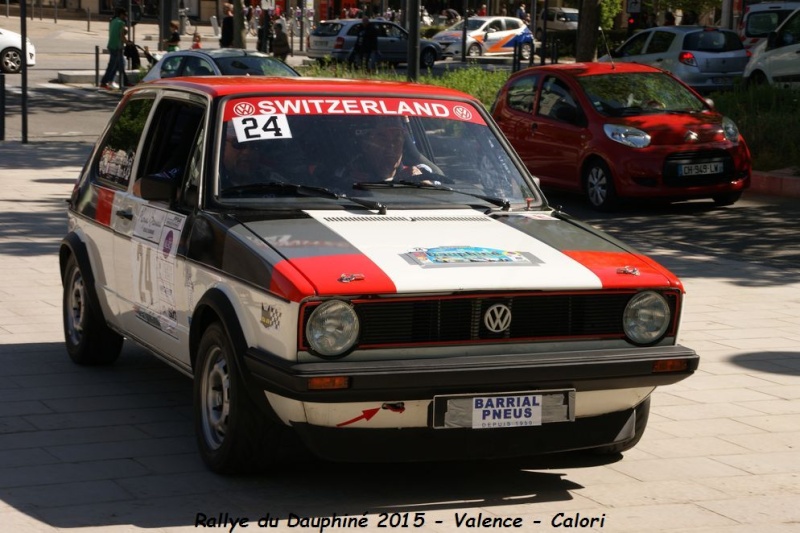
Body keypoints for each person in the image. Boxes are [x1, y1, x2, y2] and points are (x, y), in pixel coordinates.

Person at [100, 8, 131, 90]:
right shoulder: (121, 23)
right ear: (121, 15)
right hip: (117, 47)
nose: (126, 17)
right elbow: (121, 36)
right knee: (114, 65)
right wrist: (127, 42)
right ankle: (104, 82)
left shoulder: (113, 21)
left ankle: (123, 81)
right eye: (125, 15)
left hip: (111, 45)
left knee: (119, 65)